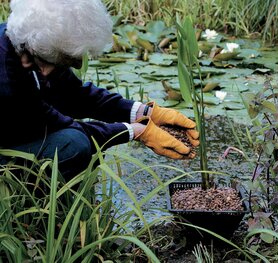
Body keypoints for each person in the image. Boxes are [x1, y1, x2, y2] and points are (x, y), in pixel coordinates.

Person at [0, 0, 199, 181]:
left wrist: (144, 112)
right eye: (41, 60)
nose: (45, 71)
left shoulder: (32, 41)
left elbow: (75, 95)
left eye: (58, 61)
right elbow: (55, 126)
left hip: (19, 128)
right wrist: (135, 131)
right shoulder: (6, 82)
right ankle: (41, 207)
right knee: (73, 144)